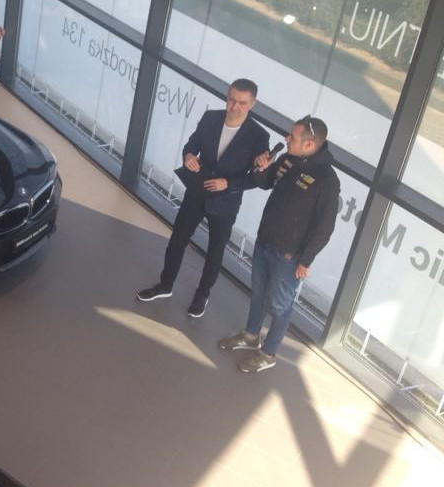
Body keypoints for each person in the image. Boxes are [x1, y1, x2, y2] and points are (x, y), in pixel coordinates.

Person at [137, 79, 270, 317]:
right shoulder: (211, 118)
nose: (234, 107)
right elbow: (192, 144)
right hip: (197, 192)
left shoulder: (259, 135)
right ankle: (165, 286)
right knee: (177, 240)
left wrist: (228, 184)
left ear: (252, 104)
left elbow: (257, 179)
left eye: (241, 103)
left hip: (225, 202)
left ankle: (202, 296)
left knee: (215, 252)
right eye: (231, 100)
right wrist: (189, 156)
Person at [219, 116, 339, 373]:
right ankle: (251, 336)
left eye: (292, 137)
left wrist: (306, 260)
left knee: (281, 305)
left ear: (309, 144)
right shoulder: (288, 158)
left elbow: (325, 227)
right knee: (259, 294)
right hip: (265, 241)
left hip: (289, 256)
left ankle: (268, 353)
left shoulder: (327, 180)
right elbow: (265, 183)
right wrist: (262, 168)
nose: (286, 139)